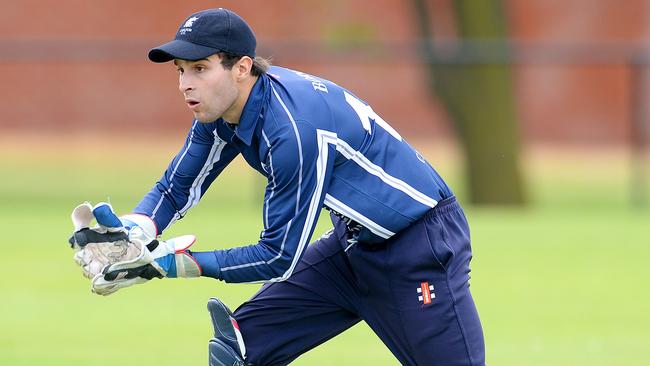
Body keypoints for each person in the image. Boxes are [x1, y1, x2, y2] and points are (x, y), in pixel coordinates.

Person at [70, 7, 485, 366]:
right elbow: (177, 186)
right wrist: (135, 231)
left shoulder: (293, 132)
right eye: (181, 71)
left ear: (242, 68)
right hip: (352, 246)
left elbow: (278, 256)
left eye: (199, 68)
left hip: (419, 247)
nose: (185, 84)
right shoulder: (222, 112)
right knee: (240, 350)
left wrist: (171, 264)